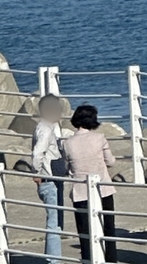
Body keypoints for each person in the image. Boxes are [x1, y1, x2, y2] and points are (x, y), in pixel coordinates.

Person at [61, 104, 117, 263]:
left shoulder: (68, 143)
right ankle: (111, 259)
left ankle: (88, 259)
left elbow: (67, 166)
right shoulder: (99, 138)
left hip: (80, 191)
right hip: (103, 189)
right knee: (108, 228)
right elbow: (111, 161)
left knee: (84, 231)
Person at [31, 95, 67, 262]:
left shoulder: (44, 128)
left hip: (50, 178)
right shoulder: (45, 129)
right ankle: (54, 260)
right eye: (59, 109)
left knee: (55, 221)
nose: (61, 112)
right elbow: (38, 152)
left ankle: (52, 258)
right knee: (54, 223)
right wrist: (37, 172)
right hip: (49, 179)